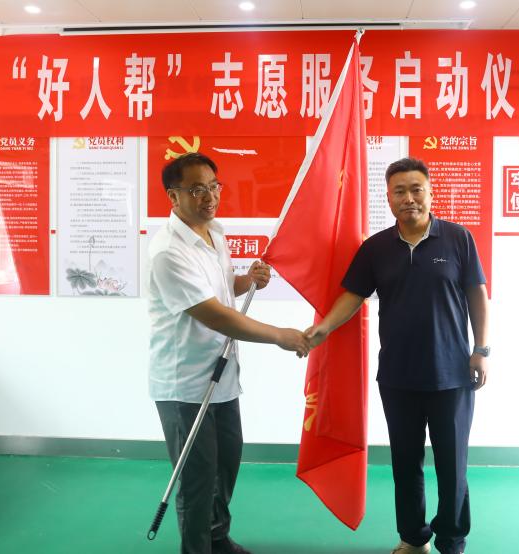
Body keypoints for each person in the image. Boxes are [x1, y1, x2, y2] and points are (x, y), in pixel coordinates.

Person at [305, 157, 490, 554]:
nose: (409, 198)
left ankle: (452, 541)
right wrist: (323, 328)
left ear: (430, 192)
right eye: (399, 192)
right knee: (405, 464)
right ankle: (413, 538)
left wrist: (481, 350)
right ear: (388, 198)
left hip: (452, 375)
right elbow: (353, 295)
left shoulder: (458, 238)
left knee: (452, 466)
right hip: (397, 376)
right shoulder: (375, 249)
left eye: (416, 189)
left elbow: (478, 294)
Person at [148, 152, 309, 554]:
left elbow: (219, 290)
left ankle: (217, 538)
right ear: (173, 196)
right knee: (198, 479)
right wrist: (279, 336)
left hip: (222, 376)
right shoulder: (168, 251)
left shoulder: (214, 234)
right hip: (185, 385)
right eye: (196, 189)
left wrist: (246, 280)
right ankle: (197, 548)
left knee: (225, 466)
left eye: (213, 186)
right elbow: (215, 315)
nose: (209, 196)